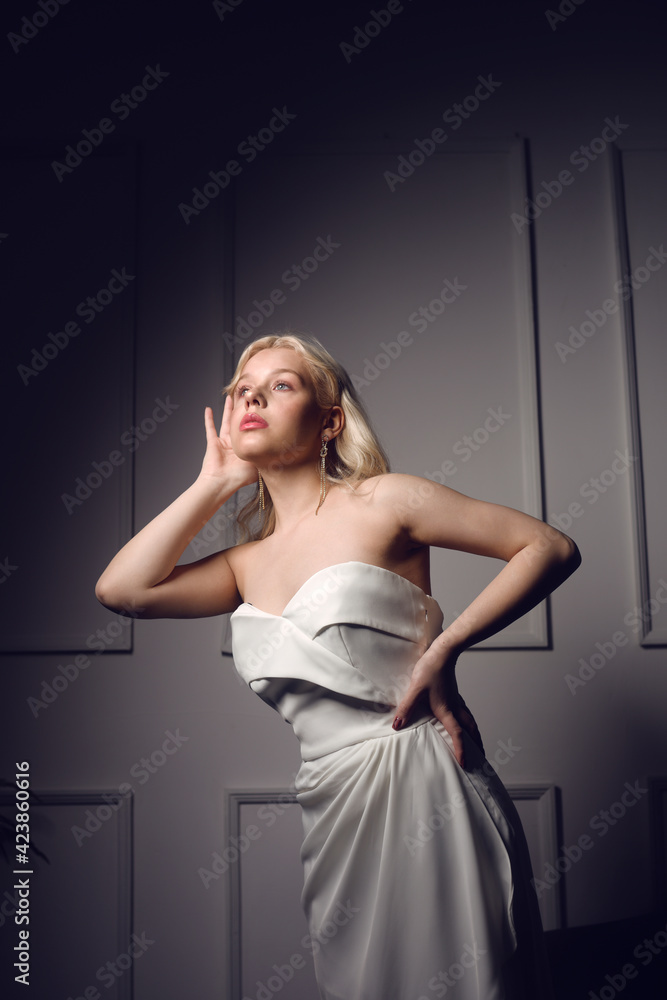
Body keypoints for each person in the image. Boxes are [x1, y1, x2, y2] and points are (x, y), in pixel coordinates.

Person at [96, 332, 581, 999]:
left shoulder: (385, 501)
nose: (253, 397)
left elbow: (547, 546)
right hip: (333, 811)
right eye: (242, 389)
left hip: (425, 785)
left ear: (329, 420)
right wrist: (213, 482)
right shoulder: (243, 564)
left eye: (281, 385)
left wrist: (446, 646)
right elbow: (122, 591)